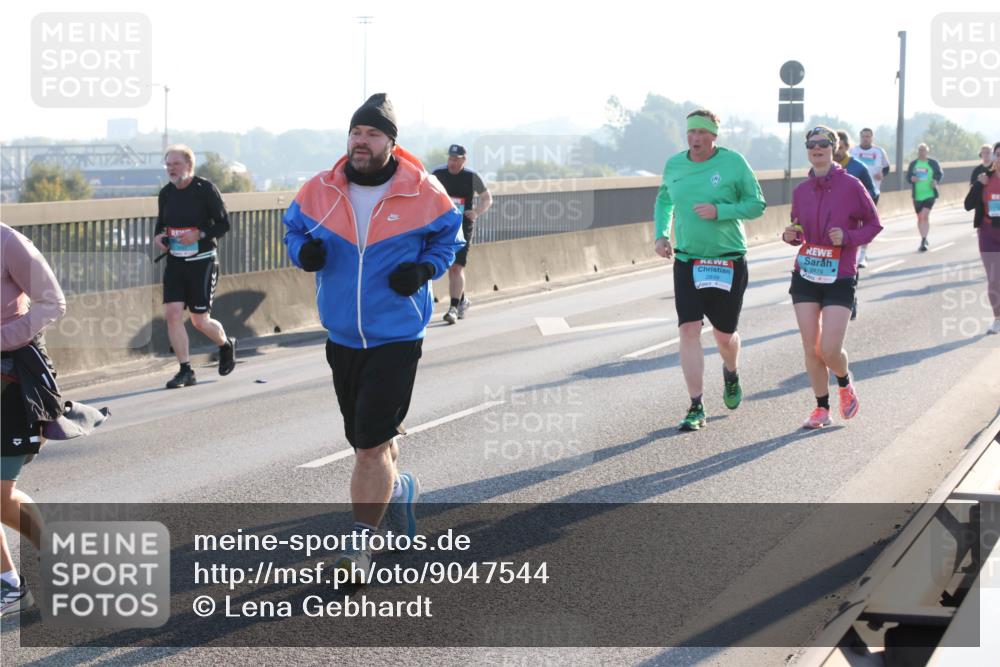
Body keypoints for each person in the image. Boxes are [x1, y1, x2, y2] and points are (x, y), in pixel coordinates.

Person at [282, 94, 463, 578]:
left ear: (391, 142)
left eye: (373, 134)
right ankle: (401, 489)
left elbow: (451, 237)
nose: (362, 142)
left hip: (397, 333)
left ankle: (359, 548)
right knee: (371, 438)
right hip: (342, 335)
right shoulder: (319, 190)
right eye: (356, 133)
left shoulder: (423, 191)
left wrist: (426, 267)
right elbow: (292, 232)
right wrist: (305, 253)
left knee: (367, 447)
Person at [654, 108, 767, 431]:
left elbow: (757, 205)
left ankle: (730, 372)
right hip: (688, 260)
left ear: (714, 136)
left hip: (728, 259)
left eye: (703, 133)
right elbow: (664, 200)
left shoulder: (733, 163)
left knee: (724, 336)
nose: (696, 139)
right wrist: (661, 234)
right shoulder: (674, 165)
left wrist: (721, 210)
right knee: (689, 329)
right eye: (691, 132)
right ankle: (696, 405)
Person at [782, 127, 882, 428]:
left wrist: (848, 236)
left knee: (829, 349)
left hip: (839, 275)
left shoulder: (851, 185)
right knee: (811, 347)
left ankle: (844, 381)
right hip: (808, 273)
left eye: (824, 144)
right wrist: (791, 235)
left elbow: (874, 225)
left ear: (833, 148)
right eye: (811, 144)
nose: (817, 148)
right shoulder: (801, 191)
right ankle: (821, 408)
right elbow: (797, 228)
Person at [1, 223, 66, 615]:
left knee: (0, 494)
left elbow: (52, 302)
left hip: (12, 379)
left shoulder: (9, 242)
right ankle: (9, 586)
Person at [153, 145, 237, 389]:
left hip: (202, 262)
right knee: (172, 314)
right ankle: (185, 370)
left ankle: (225, 344)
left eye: (176, 164)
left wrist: (199, 234)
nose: (171, 169)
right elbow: (161, 226)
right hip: (176, 263)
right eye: (168, 164)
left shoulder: (205, 189)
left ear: (189, 165)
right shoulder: (166, 193)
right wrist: (159, 238)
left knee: (200, 321)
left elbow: (223, 225)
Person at [432, 145, 493, 324]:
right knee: (445, 264)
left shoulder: (472, 177)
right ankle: (462, 299)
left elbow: (487, 198)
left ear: (463, 160)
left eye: (456, 159)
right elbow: (424, 193)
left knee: (456, 267)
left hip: (463, 226)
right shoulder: (438, 174)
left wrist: (476, 212)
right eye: (450, 158)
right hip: (442, 225)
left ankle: (453, 308)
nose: (452, 162)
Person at [963, 141, 1000, 335]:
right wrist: (978, 185)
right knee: (994, 279)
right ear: (994, 157)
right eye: (999, 155)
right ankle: (997, 319)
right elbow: (968, 205)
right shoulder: (985, 178)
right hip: (988, 232)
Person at [849, 128, 891, 267]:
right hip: (854, 193)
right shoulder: (853, 151)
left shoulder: (878, 151)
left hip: (872, 192)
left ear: (871, 138)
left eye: (868, 136)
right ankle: (852, 254)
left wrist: (882, 175)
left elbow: (886, 167)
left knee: (866, 223)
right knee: (854, 223)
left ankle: (862, 255)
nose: (865, 138)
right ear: (860, 137)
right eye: (863, 136)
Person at [906, 144, 943, 252]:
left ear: (927, 151)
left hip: (930, 194)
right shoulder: (914, 164)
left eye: (924, 150)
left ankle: (924, 240)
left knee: (925, 216)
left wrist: (935, 181)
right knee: (919, 218)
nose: (921, 152)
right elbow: (908, 177)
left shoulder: (932, 163)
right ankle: (923, 237)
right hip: (917, 195)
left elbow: (939, 174)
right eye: (920, 150)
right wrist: (912, 178)